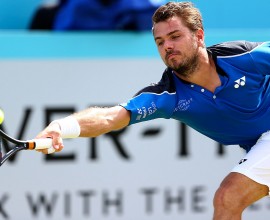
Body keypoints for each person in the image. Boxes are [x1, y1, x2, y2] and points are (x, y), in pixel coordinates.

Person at [36, 1, 270, 219]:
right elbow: (109, 118)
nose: (167, 46)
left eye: (175, 36)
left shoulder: (243, 57)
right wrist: (60, 126)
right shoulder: (166, 95)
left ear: (199, 36)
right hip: (259, 144)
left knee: (228, 197)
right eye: (160, 42)